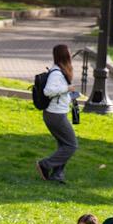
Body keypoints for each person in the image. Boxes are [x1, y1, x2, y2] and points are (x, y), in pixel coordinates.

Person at [36, 44, 78, 185]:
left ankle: (57, 175)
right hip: (55, 115)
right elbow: (48, 91)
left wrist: (71, 93)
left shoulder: (60, 70)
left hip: (57, 113)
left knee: (63, 145)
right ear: (64, 55)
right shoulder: (56, 73)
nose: (71, 54)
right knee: (71, 145)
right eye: (69, 52)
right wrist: (67, 88)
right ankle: (45, 165)